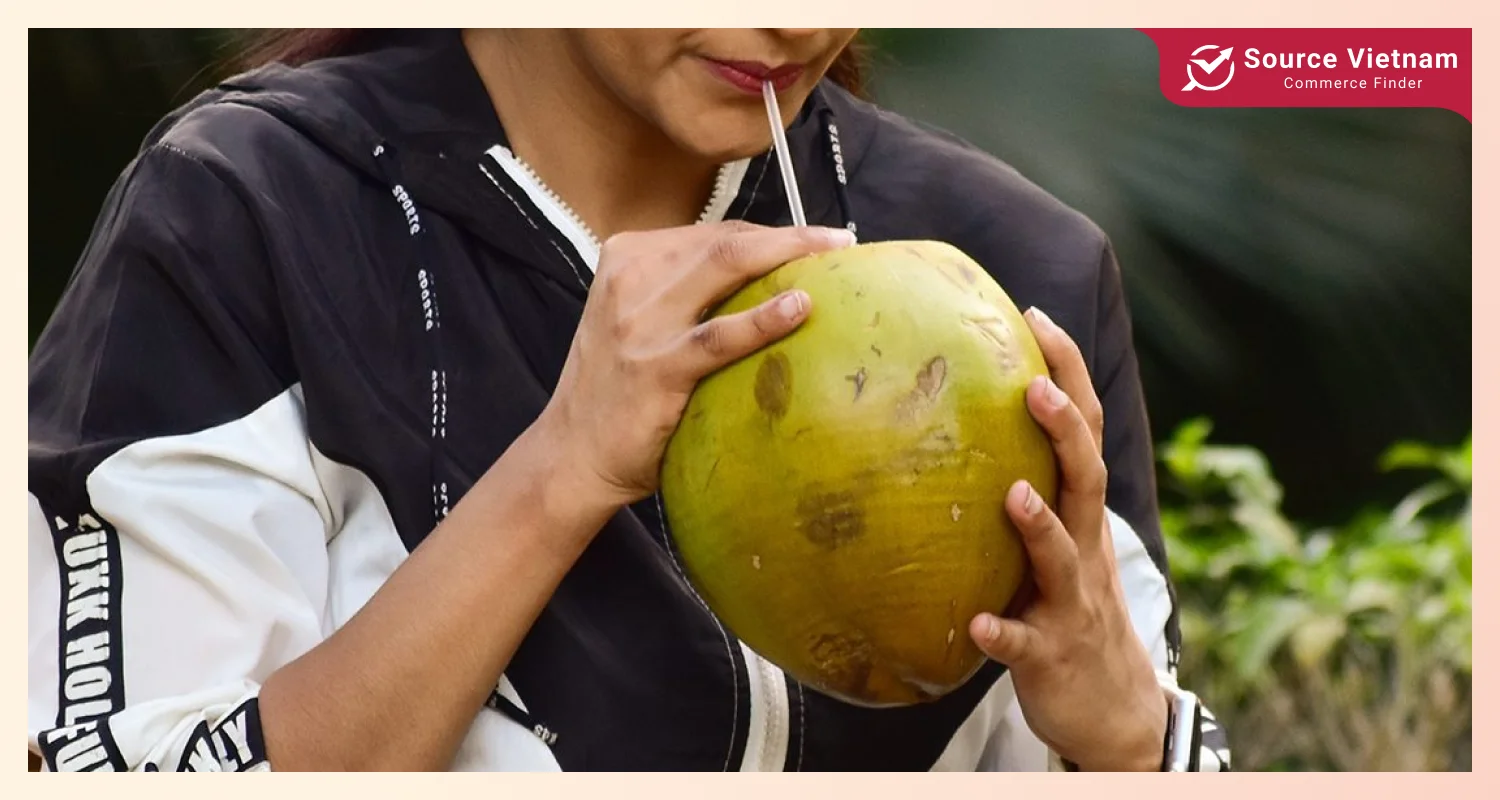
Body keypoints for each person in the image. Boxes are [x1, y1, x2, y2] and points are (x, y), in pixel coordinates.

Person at [27, 28, 1230, 772]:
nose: (796, 25)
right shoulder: (250, 219)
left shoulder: (1017, 271)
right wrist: (561, 469)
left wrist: (1127, 733)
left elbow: (1132, 746)